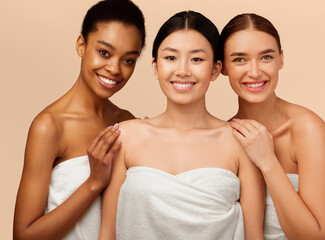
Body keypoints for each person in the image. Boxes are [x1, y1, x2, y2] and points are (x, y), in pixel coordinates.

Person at [99, 10, 265, 240]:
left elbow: (254, 237)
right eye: (171, 58)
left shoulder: (240, 141)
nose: (183, 70)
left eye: (196, 59)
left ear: (216, 69)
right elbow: (107, 234)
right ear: (155, 67)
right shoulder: (126, 136)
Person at [13, 0, 145, 239]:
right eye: (104, 52)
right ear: (81, 45)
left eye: (128, 60)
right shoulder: (50, 126)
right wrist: (94, 182)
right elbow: (24, 235)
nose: (115, 68)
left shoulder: (126, 122)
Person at [221, 13, 325, 239]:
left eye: (266, 57)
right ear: (222, 67)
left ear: (281, 59)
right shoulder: (223, 136)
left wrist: (267, 160)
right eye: (239, 59)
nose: (255, 71)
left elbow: (315, 236)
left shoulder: (307, 128)